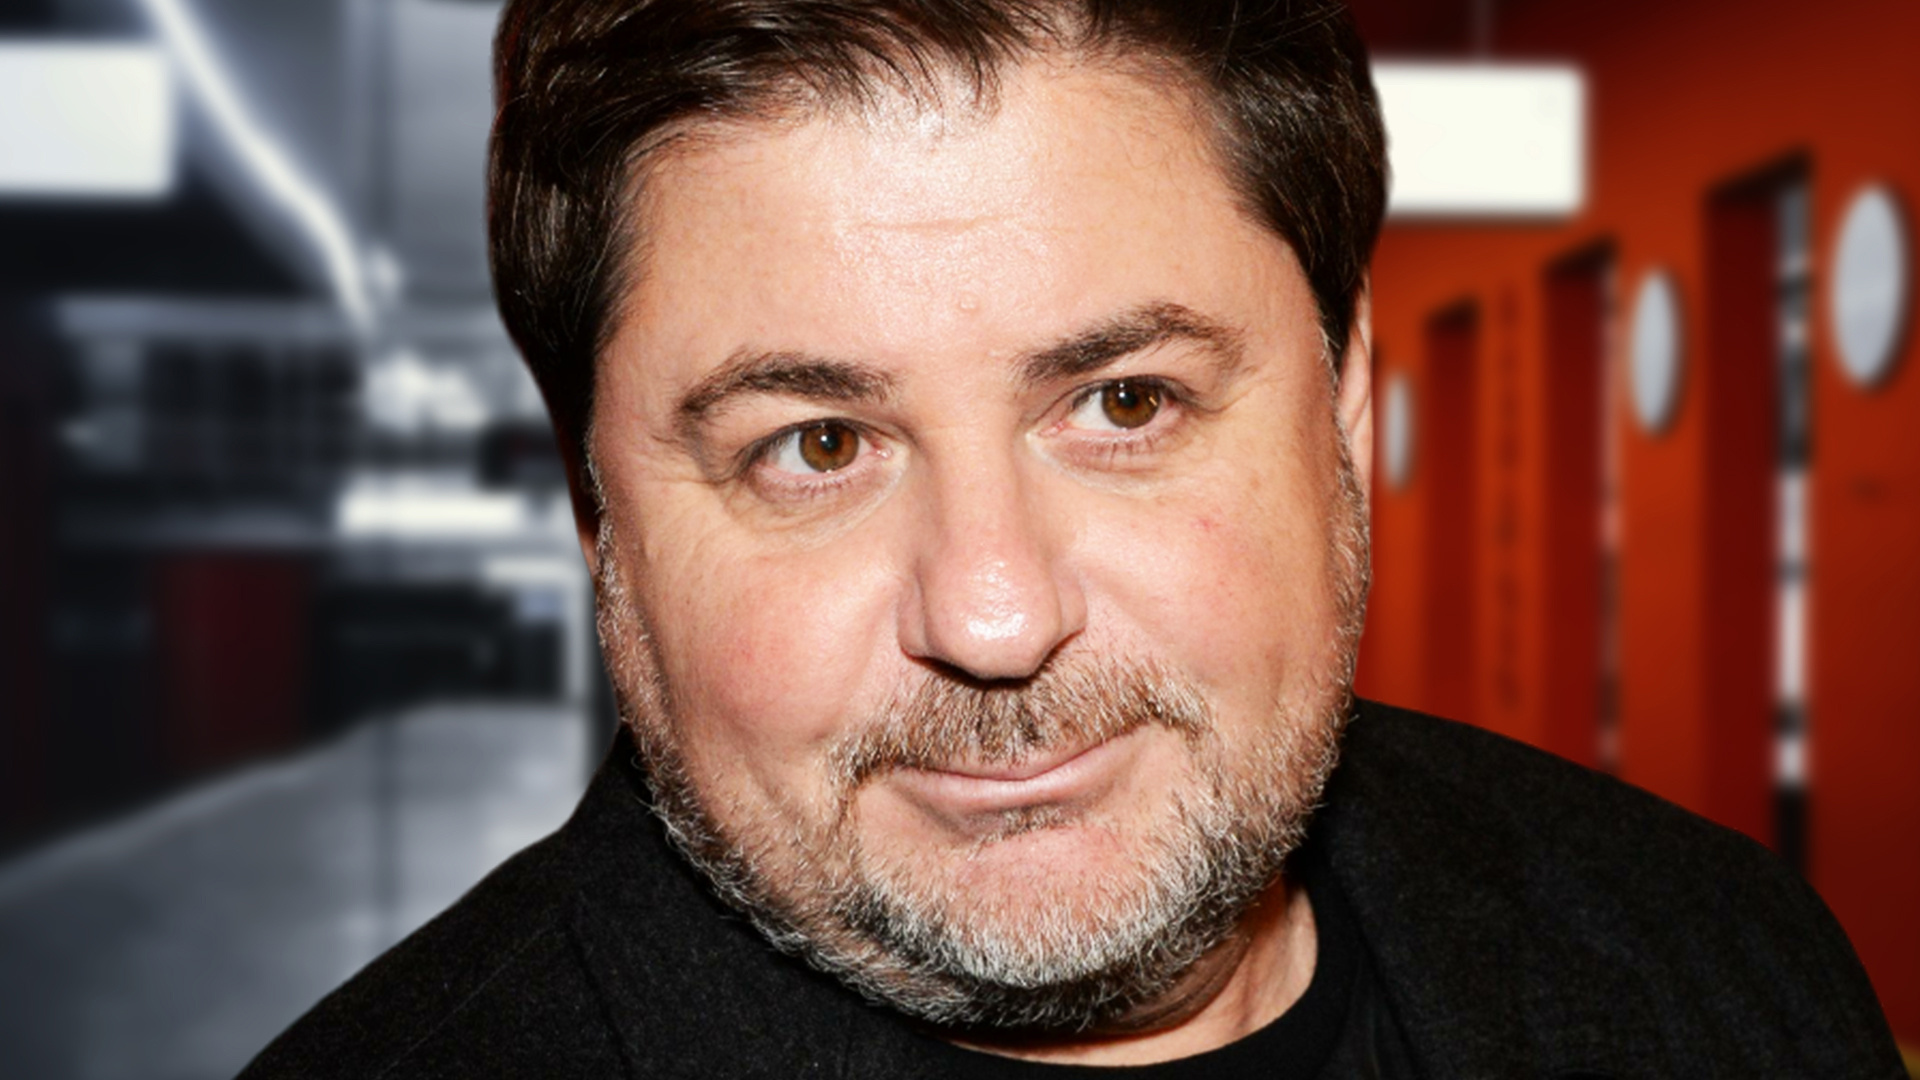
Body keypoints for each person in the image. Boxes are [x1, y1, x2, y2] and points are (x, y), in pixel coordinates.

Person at [242, 1, 1905, 1076]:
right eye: (818, 446)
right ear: (597, 511)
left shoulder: (1722, 965)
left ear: (1344, 410)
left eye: (1123, 402)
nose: (993, 612)